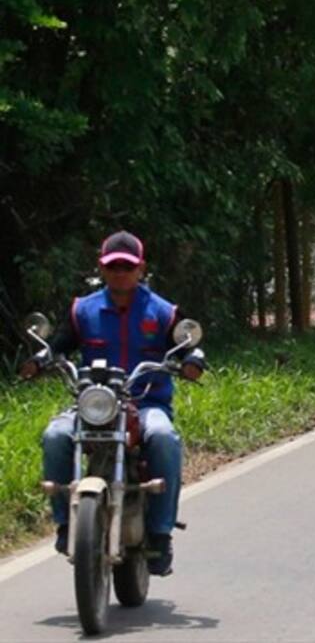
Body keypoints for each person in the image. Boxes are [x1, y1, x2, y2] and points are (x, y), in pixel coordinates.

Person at [19, 231, 205, 576]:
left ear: (141, 269)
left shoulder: (163, 312)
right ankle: (64, 524)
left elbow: (188, 343)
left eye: (127, 266)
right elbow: (59, 344)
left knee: (164, 438)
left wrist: (194, 359)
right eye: (113, 266)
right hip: (95, 403)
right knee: (55, 436)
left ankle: (161, 535)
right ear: (102, 269)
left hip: (146, 404)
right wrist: (41, 360)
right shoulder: (83, 309)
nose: (120, 272)